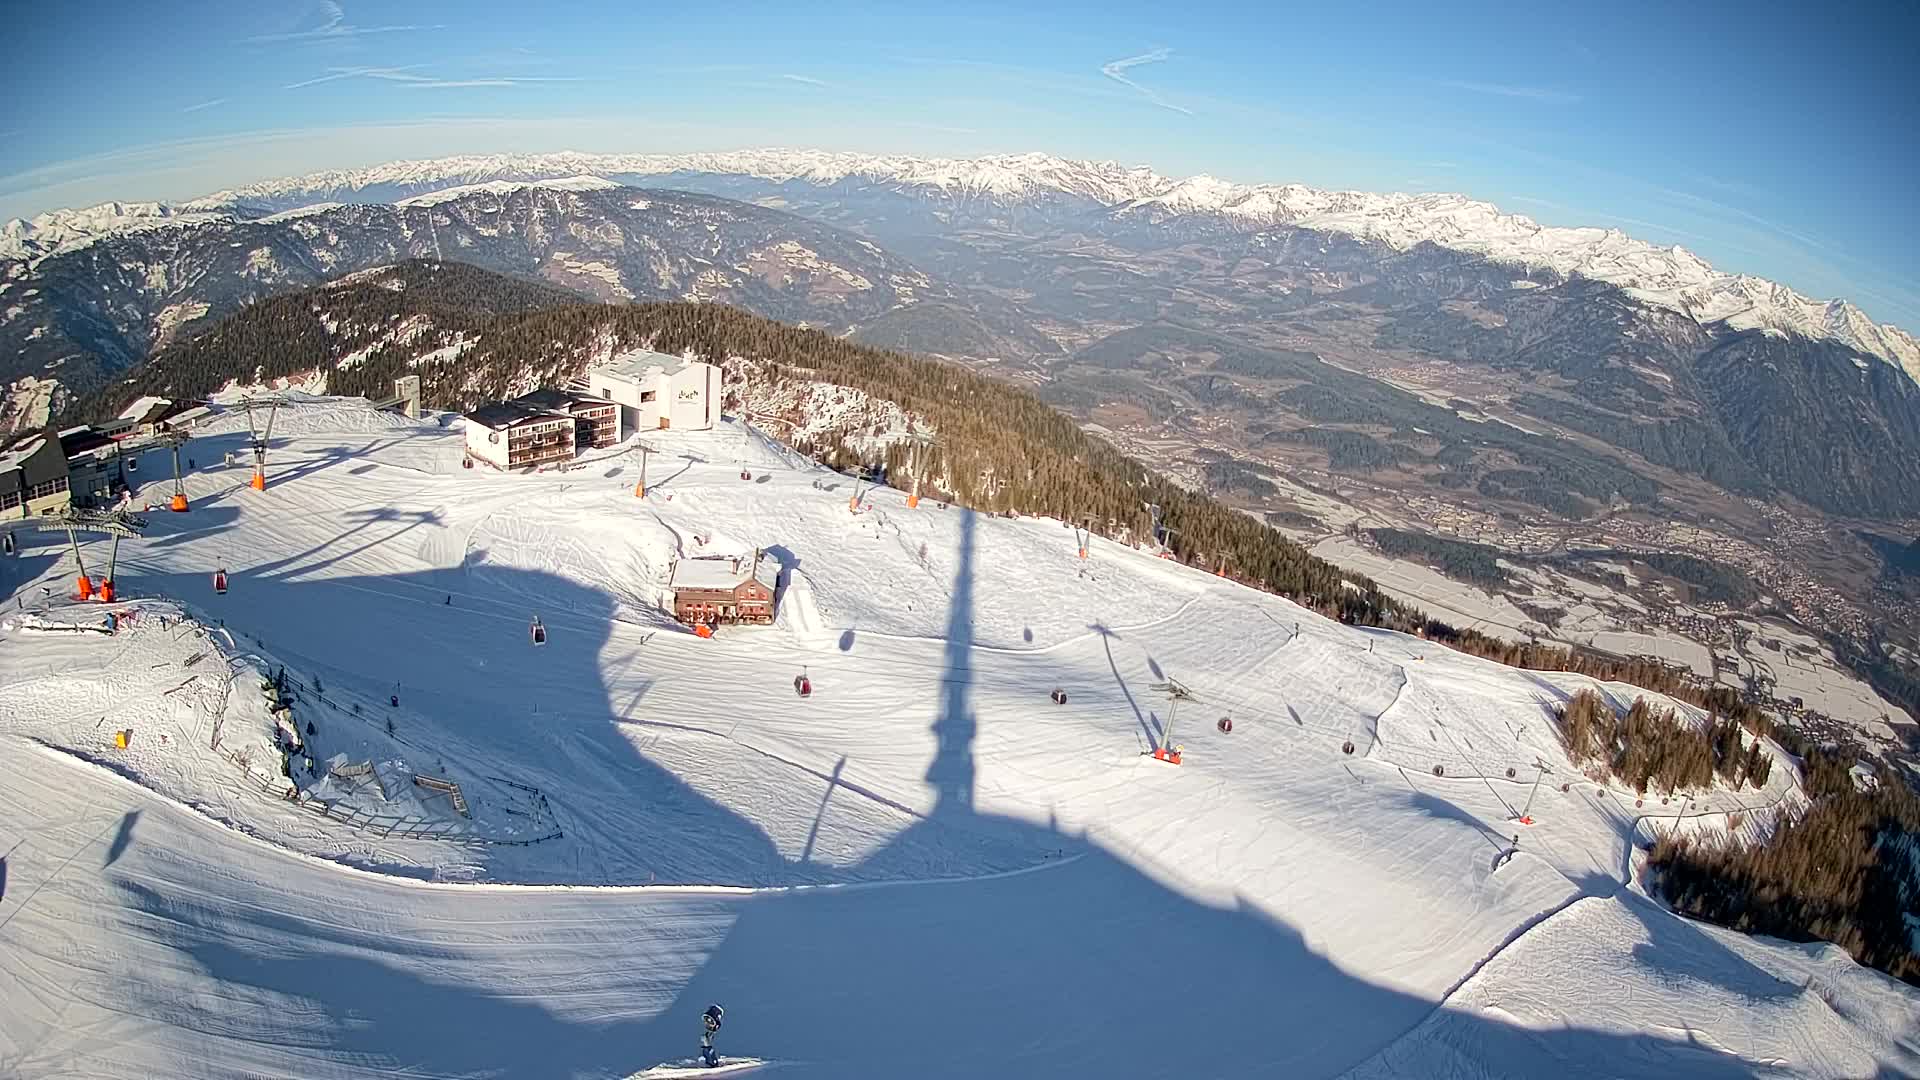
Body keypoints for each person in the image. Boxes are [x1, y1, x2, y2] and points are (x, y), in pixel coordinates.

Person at [699, 1003, 725, 1067]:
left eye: (710, 1021)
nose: (707, 1023)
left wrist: (707, 1045)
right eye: (706, 1020)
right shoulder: (708, 1034)